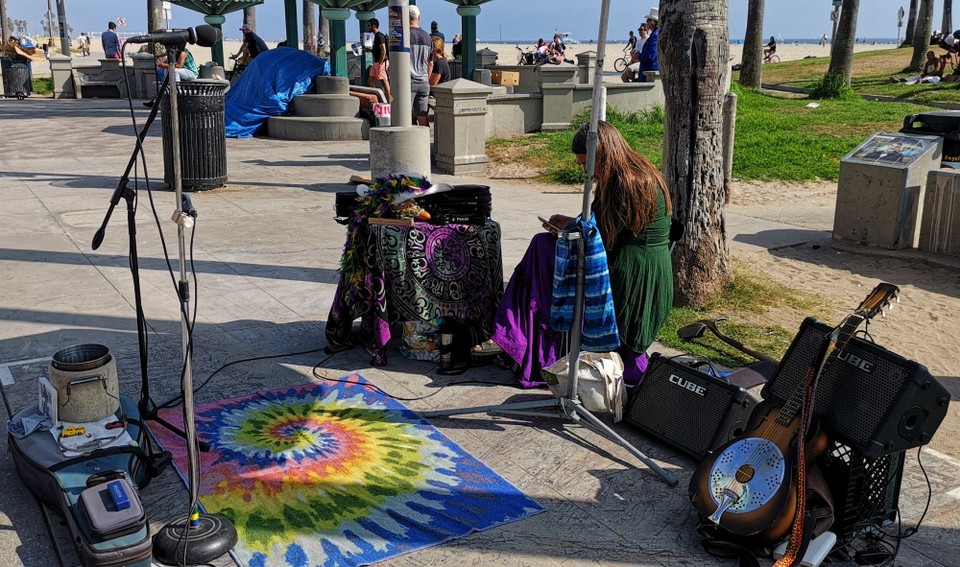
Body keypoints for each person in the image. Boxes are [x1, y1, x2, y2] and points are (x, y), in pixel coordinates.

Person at [481, 121, 674, 388]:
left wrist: (570, 228)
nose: (583, 169)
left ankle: (513, 336)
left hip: (634, 270)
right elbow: (609, 227)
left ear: (603, 156)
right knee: (542, 248)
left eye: (586, 163)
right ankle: (514, 336)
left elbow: (603, 238)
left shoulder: (629, 182)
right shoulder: (631, 172)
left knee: (542, 253)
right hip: (627, 257)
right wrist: (570, 223)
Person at [143, 42, 198, 107]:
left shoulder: (183, 53)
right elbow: (166, 59)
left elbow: (178, 66)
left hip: (191, 73)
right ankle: (163, 90)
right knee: (161, 70)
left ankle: (176, 90)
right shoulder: (174, 52)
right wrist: (160, 60)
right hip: (182, 71)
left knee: (174, 71)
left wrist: (163, 65)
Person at [409, 5, 434, 126]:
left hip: (408, 82)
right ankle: (425, 142)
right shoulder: (428, 37)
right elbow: (430, 63)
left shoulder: (405, 37)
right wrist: (426, 79)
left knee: (404, 115)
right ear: (419, 17)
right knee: (422, 115)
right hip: (423, 81)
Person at [367, 18, 392, 103]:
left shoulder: (379, 36)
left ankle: (389, 102)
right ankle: (376, 100)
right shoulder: (376, 36)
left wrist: (381, 61)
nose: (368, 27)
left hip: (381, 62)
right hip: (376, 62)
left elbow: (383, 49)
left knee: (384, 82)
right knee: (370, 81)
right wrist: (370, 50)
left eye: (369, 25)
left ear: (374, 26)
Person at [638, 8, 659, 81]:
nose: (646, 22)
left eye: (648, 20)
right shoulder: (654, 34)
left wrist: (639, 57)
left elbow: (651, 55)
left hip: (650, 69)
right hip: (648, 69)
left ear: (653, 21)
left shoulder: (655, 35)